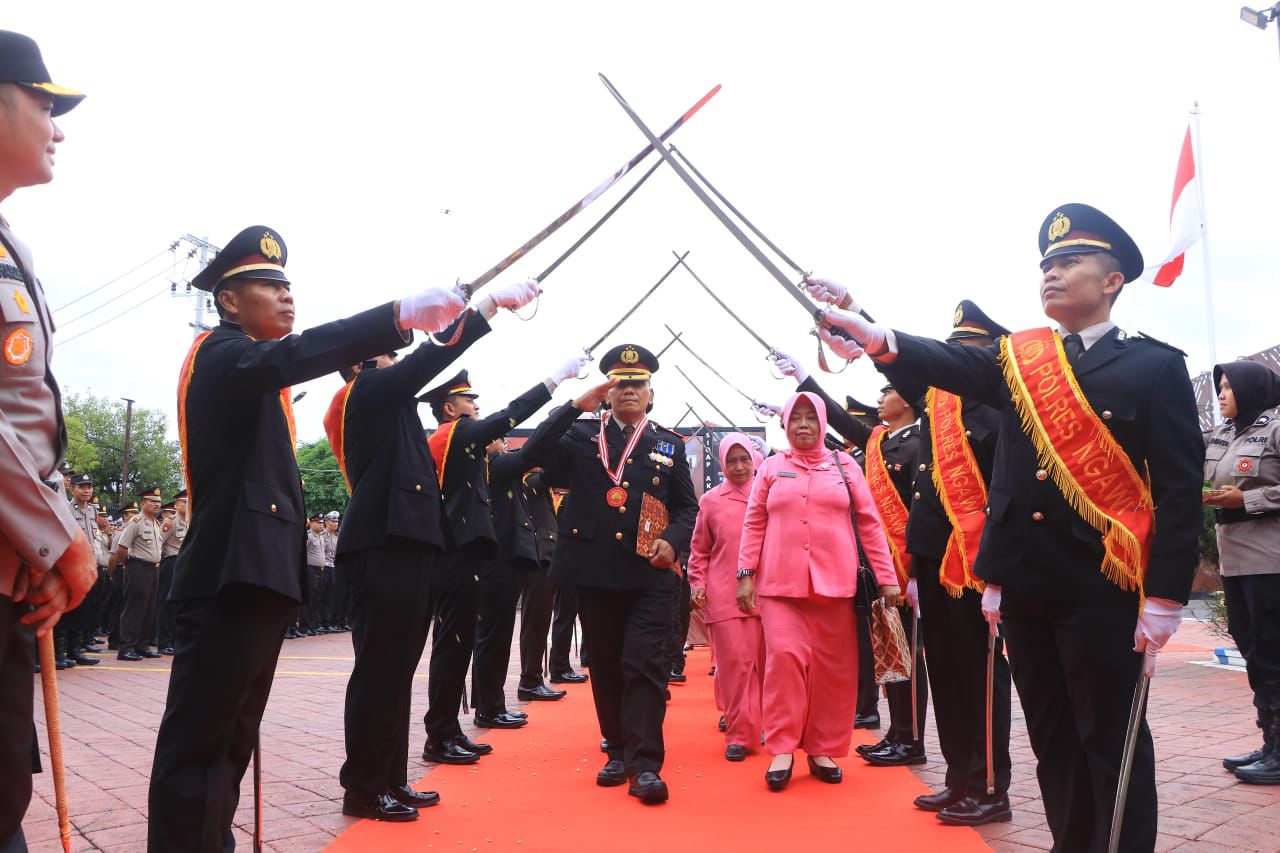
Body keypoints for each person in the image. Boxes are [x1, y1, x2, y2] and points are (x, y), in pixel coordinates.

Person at [814, 203, 1203, 851]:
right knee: (1052, 740)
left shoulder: (1155, 367)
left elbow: (1178, 490)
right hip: (1025, 588)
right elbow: (950, 366)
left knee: (1111, 741)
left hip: (1102, 591)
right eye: (1046, 264)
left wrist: (1164, 594)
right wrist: (877, 335)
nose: (1052, 274)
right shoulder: (1020, 360)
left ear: (1112, 280)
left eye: (1071, 261)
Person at [147, 224, 477, 851]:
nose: (286, 295)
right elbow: (298, 353)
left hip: (256, 576)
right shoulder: (222, 354)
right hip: (227, 576)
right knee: (201, 746)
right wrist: (398, 315)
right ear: (228, 300)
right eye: (269, 285)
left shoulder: (258, 375)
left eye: (289, 285)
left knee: (229, 743)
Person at [324, 286, 540, 820]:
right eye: (387, 352)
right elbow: (431, 357)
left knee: (398, 672)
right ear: (361, 362)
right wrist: (484, 310)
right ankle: (364, 784)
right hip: (383, 547)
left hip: (410, 548)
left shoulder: (389, 402)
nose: (397, 360)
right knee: (379, 671)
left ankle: (389, 780)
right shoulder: (365, 391)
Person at [520, 344, 699, 804]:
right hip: (594, 570)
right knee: (605, 662)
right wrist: (572, 406)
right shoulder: (580, 435)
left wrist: (674, 541)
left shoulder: (668, 443)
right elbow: (533, 452)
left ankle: (644, 765)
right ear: (607, 391)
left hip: (650, 572)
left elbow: (686, 507)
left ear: (651, 393)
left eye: (637, 384)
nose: (629, 391)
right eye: (620, 384)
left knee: (645, 663)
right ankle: (616, 749)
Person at [0, 30, 96, 853]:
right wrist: (61, 539)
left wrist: (47, 546)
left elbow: (33, 424)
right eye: (44, 104)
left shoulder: (10, 249)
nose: (57, 128)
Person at [419, 360, 587, 760]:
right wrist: (559, 386)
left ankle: (449, 729)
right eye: (468, 401)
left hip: (470, 555)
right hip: (457, 555)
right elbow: (512, 418)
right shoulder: (452, 437)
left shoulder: (465, 447)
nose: (476, 409)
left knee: (461, 647)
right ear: (449, 408)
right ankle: (440, 734)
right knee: (455, 646)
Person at [771, 353, 931, 767]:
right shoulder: (883, 442)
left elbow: (923, 510)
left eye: (890, 391)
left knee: (905, 652)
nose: (882, 400)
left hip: (905, 566)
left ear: (910, 400)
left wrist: (911, 571)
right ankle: (897, 733)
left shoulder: (922, 442)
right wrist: (803, 377)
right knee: (880, 651)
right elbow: (840, 421)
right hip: (873, 570)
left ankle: (910, 737)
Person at [737, 392, 899, 791]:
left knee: (833, 670)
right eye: (796, 418)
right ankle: (782, 746)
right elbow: (753, 521)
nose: (804, 425)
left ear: (823, 423)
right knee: (786, 662)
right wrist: (745, 572)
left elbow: (870, 523)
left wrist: (887, 576)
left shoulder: (845, 466)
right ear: (785, 424)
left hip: (836, 586)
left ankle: (822, 747)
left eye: (811, 418)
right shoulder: (772, 467)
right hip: (779, 586)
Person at [1204, 360, 1280, 785]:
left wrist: (1248, 501)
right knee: (1252, 650)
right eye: (1219, 387)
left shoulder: (1275, 427)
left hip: (1270, 559)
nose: (1221, 394)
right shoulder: (1224, 434)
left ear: (1252, 389)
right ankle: (1270, 741)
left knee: (1274, 653)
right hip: (1234, 562)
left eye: (1229, 386)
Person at [688, 433, 765, 761]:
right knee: (734, 666)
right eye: (731, 460)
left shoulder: (768, 495)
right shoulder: (711, 501)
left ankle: (762, 723)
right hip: (725, 595)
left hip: (769, 593)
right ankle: (738, 733)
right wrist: (697, 584)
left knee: (765, 667)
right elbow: (699, 550)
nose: (738, 466)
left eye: (744, 459)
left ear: (753, 460)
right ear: (722, 463)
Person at [514, 467, 568, 700]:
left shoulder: (537, 480)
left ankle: (533, 678)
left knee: (540, 621)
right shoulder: (532, 480)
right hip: (539, 556)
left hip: (547, 556)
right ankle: (529, 680)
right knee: (535, 622)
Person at [114, 487, 165, 661]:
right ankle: (126, 647)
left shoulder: (157, 523)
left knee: (149, 608)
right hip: (138, 567)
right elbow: (122, 548)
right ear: (143, 504)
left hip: (154, 569)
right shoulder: (136, 522)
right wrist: (131, 564)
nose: (157, 505)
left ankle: (142, 646)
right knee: (134, 608)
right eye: (152, 501)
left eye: (158, 502)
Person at [58, 473, 102, 667]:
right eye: (82, 487)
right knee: (67, 611)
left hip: (88, 566)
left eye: (89, 487)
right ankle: (60, 652)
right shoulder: (65, 509)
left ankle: (76, 650)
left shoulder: (92, 511)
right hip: (71, 566)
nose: (87, 491)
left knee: (83, 610)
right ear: (72, 489)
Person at [155, 490, 187, 655]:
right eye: (184, 502)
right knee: (166, 602)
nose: (187, 506)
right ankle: (164, 641)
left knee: (179, 603)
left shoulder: (190, 521)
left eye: (189, 502)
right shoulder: (170, 522)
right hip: (170, 562)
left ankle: (175, 639)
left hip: (184, 563)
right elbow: (159, 544)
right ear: (176, 505)